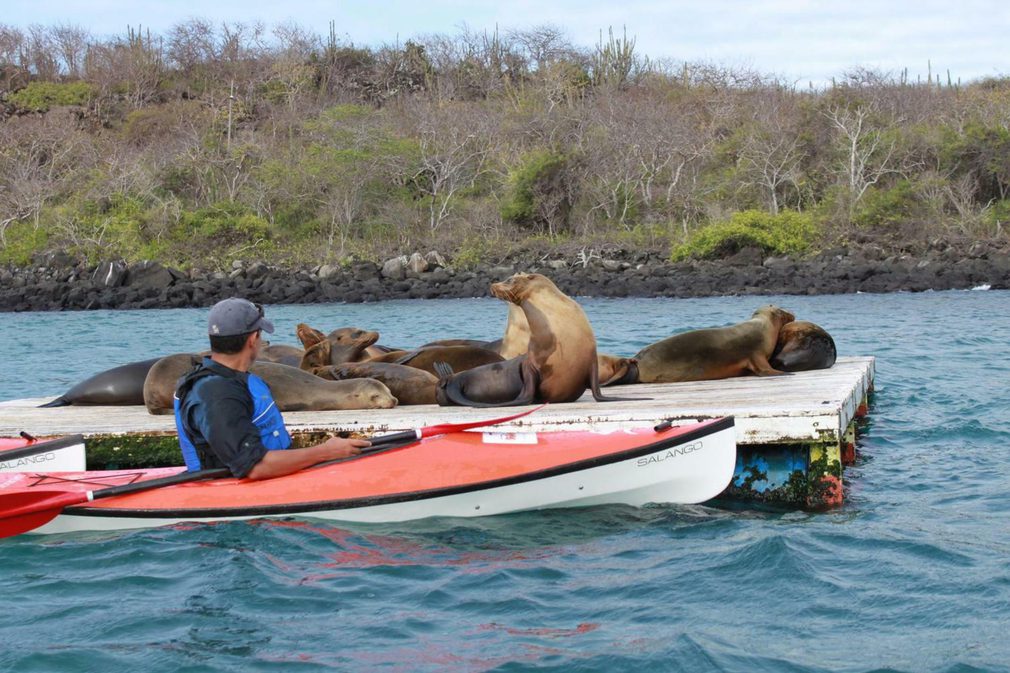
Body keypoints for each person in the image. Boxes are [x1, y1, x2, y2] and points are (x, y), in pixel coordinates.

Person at [173, 297, 370, 480]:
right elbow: (255, 467)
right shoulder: (215, 394)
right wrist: (325, 452)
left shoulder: (233, 380)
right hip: (237, 493)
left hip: (275, 477)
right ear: (253, 339)